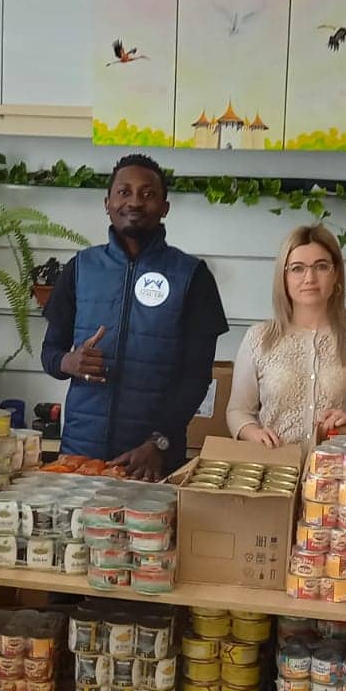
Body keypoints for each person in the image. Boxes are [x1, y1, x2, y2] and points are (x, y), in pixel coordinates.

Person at [40, 153, 228, 480]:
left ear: (165, 207)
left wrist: (159, 443)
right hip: (79, 457)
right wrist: (68, 362)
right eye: (124, 192)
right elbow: (49, 352)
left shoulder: (193, 276)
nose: (135, 202)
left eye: (148, 193)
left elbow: (197, 379)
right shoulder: (81, 268)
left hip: (153, 462)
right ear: (107, 203)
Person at [226, 225, 346, 446]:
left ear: (336, 273)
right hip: (276, 464)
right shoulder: (258, 338)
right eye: (297, 268)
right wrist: (252, 433)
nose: (310, 278)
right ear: (283, 276)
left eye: (321, 266)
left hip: (339, 463)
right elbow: (238, 411)